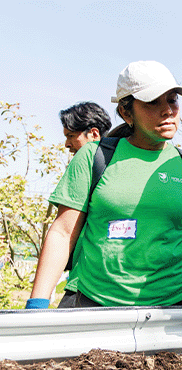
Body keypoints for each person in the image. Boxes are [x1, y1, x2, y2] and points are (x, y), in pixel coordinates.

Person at [27, 60, 182, 308]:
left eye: (172, 100)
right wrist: (37, 303)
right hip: (97, 304)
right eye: (152, 102)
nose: (168, 110)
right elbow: (62, 233)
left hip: (175, 310)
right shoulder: (95, 157)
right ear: (127, 112)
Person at [57, 101, 113, 308]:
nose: (67, 144)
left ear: (94, 134)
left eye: (71, 136)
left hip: (85, 286)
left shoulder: (91, 164)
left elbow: (62, 231)